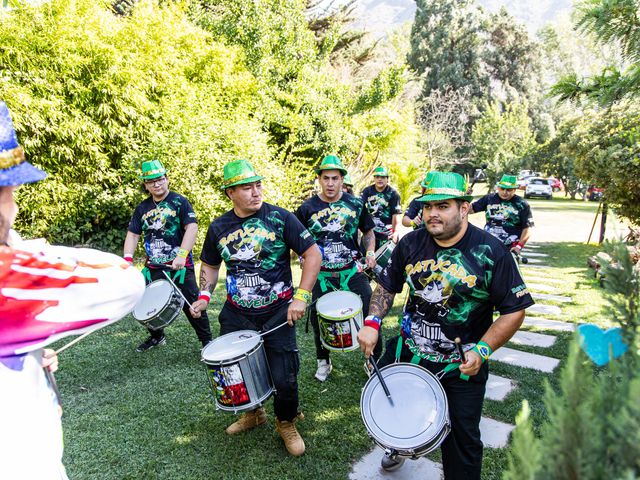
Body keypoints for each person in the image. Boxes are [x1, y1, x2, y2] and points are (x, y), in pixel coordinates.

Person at [0, 101, 145, 479]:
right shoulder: (9, 277)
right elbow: (126, 281)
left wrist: (26, 350)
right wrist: (25, 251)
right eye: (9, 192)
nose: (13, 205)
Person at [357, 172, 534, 479]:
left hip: (461, 365)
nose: (433, 214)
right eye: (427, 207)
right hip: (409, 353)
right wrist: (372, 322)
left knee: (462, 442)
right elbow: (387, 286)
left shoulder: (491, 252)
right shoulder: (411, 243)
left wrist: (482, 350)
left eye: (443, 206)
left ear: (464, 208)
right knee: (396, 410)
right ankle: (399, 447)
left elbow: (514, 311)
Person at [191, 159, 321, 457]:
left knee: (284, 375)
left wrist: (301, 296)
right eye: (247, 187)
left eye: (258, 185)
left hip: (277, 312)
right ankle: (253, 414)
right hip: (237, 313)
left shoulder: (280, 218)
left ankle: (285, 421)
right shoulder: (219, 226)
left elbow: (312, 254)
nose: (255, 192)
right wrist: (204, 295)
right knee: (236, 372)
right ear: (230, 193)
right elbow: (210, 265)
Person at [295, 155, 381, 382]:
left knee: (372, 310)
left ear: (342, 179)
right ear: (319, 180)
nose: (330, 183)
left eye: (335, 178)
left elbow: (369, 232)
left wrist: (370, 253)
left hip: (352, 270)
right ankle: (323, 361)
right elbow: (296, 240)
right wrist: (302, 256)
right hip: (320, 275)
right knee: (318, 317)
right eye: (326, 178)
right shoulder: (306, 208)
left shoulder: (355, 204)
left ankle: (373, 361)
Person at [124, 159, 212, 352]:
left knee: (192, 305)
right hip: (153, 267)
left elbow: (192, 227)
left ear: (167, 179)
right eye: (151, 181)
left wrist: (182, 254)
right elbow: (133, 234)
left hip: (179, 266)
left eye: (160, 179)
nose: (157, 184)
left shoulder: (180, 202)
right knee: (144, 302)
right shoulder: (142, 209)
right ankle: (157, 336)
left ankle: (207, 342)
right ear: (146, 185)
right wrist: (127, 261)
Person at [469, 174, 533, 255]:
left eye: (509, 190)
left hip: (510, 248)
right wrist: (465, 197)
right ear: (498, 188)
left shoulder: (521, 204)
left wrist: (519, 247)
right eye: (502, 189)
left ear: (514, 190)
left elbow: (527, 228)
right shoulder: (489, 199)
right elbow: (468, 210)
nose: (505, 192)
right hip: (488, 245)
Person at [361, 166, 402, 249]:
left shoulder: (393, 194)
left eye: (383, 177)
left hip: (386, 235)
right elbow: (360, 208)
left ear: (387, 179)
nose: (380, 179)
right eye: (377, 177)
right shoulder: (367, 191)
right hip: (369, 233)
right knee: (365, 259)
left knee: (386, 260)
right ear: (374, 178)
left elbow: (396, 215)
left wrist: (395, 232)